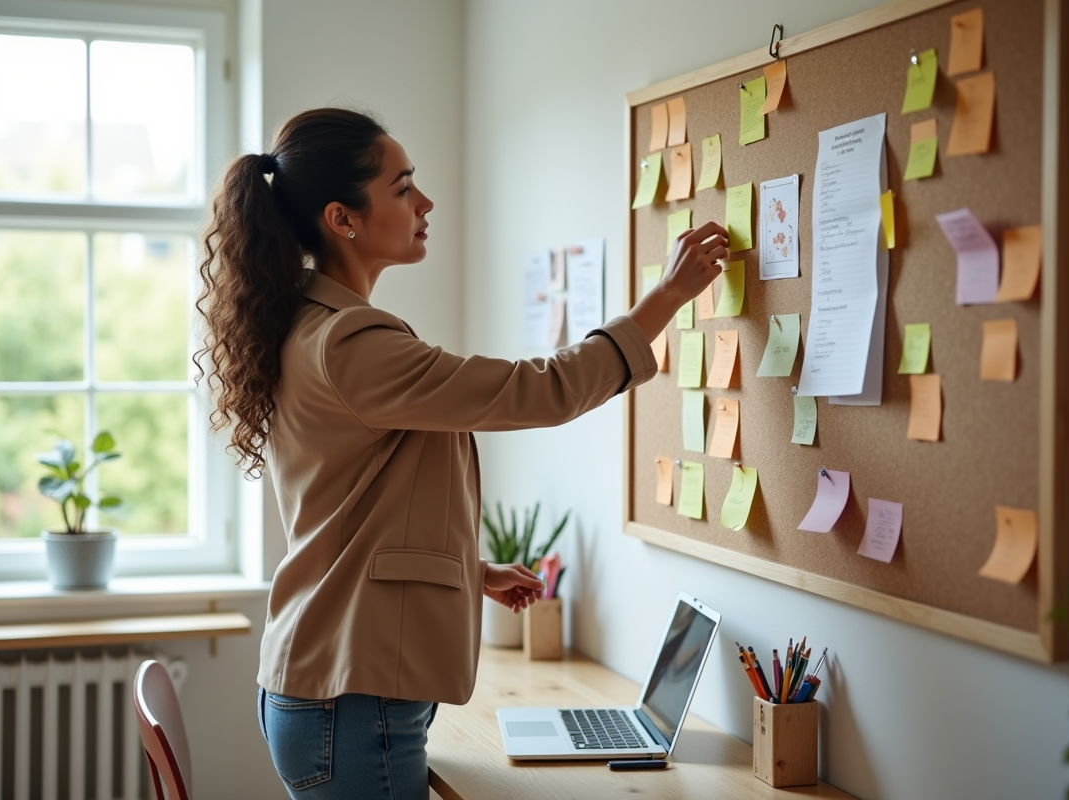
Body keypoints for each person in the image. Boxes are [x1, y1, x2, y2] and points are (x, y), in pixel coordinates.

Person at [195, 107, 728, 799]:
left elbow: (352, 506)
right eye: (403, 187)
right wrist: (667, 297)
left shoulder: (311, 326)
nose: (426, 203)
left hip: (329, 690)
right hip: (352, 704)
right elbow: (540, 392)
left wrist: (466, 569)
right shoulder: (352, 345)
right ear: (342, 218)